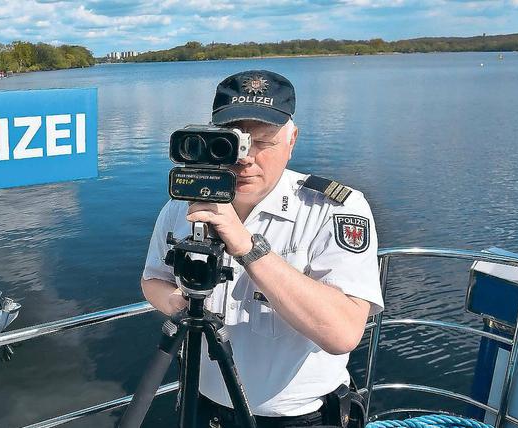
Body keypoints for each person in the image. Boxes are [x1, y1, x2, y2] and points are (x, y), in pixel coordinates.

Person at [141, 70, 383, 428]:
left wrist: (247, 247)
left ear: (292, 140)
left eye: (263, 142)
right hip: (204, 408)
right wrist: (186, 308)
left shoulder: (332, 209)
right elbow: (152, 280)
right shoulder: (182, 206)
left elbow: (343, 333)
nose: (244, 157)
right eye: (232, 141)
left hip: (301, 418)